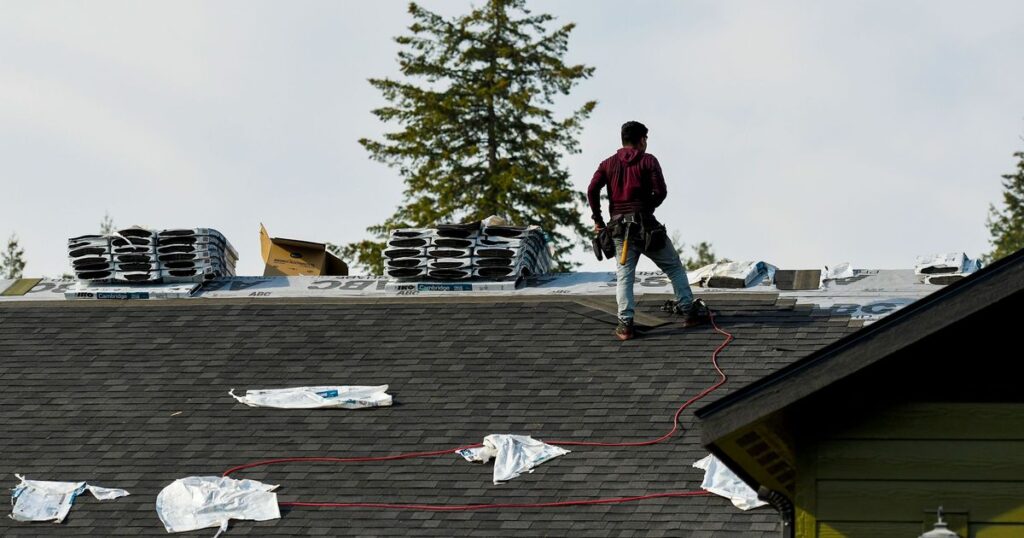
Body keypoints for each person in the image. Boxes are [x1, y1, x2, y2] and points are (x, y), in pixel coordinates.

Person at [587, 121, 709, 340]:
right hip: (646, 228)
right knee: (673, 267)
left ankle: (625, 326)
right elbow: (660, 192)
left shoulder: (607, 164)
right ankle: (689, 313)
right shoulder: (648, 161)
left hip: (619, 229)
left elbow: (592, 189)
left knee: (624, 277)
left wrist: (598, 220)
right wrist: (646, 209)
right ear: (642, 140)